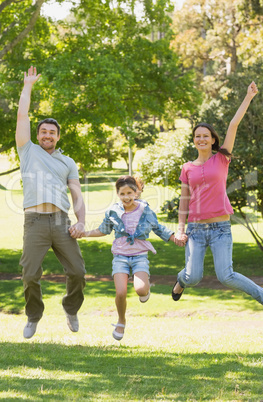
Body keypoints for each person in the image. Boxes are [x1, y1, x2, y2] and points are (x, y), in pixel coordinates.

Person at [172, 81, 263, 305]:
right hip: (195, 230)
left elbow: (233, 125)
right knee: (192, 277)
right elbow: (184, 201)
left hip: (221, 228)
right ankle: (181, 281)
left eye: (205, 135)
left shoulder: (222, 159)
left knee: (226, 276)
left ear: (213, 140)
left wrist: (248, 97)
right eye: (197, 136)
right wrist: (180, 230)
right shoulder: (187, 168)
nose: (201, 139)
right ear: (194, 141)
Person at [16, 66, 86, 339]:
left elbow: (76, 194)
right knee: (30, 274)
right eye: (43, 131)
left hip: (60, 221)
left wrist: (81, 221)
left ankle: (71, 308)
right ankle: (34, 316)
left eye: (51, 133)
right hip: (34, 221)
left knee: (78, 272)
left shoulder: (67, 162)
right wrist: (28, 86)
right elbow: (22, 115)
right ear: (38, 134)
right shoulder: (28, 150)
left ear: (58, 136)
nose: (47, 135)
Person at [71, 175, 176, 340]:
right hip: (120, 256)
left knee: (141, 289)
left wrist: (174, 237)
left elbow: (158, 228)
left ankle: (145, 289)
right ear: (118, 194)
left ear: (136, 192)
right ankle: (121, 321)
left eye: (129, 193)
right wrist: (85, 233)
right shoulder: (114, 211)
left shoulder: (144, 210)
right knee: (120, 292)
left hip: (139, 256)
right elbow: (103, 230)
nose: (126, 197)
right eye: (122, 194)